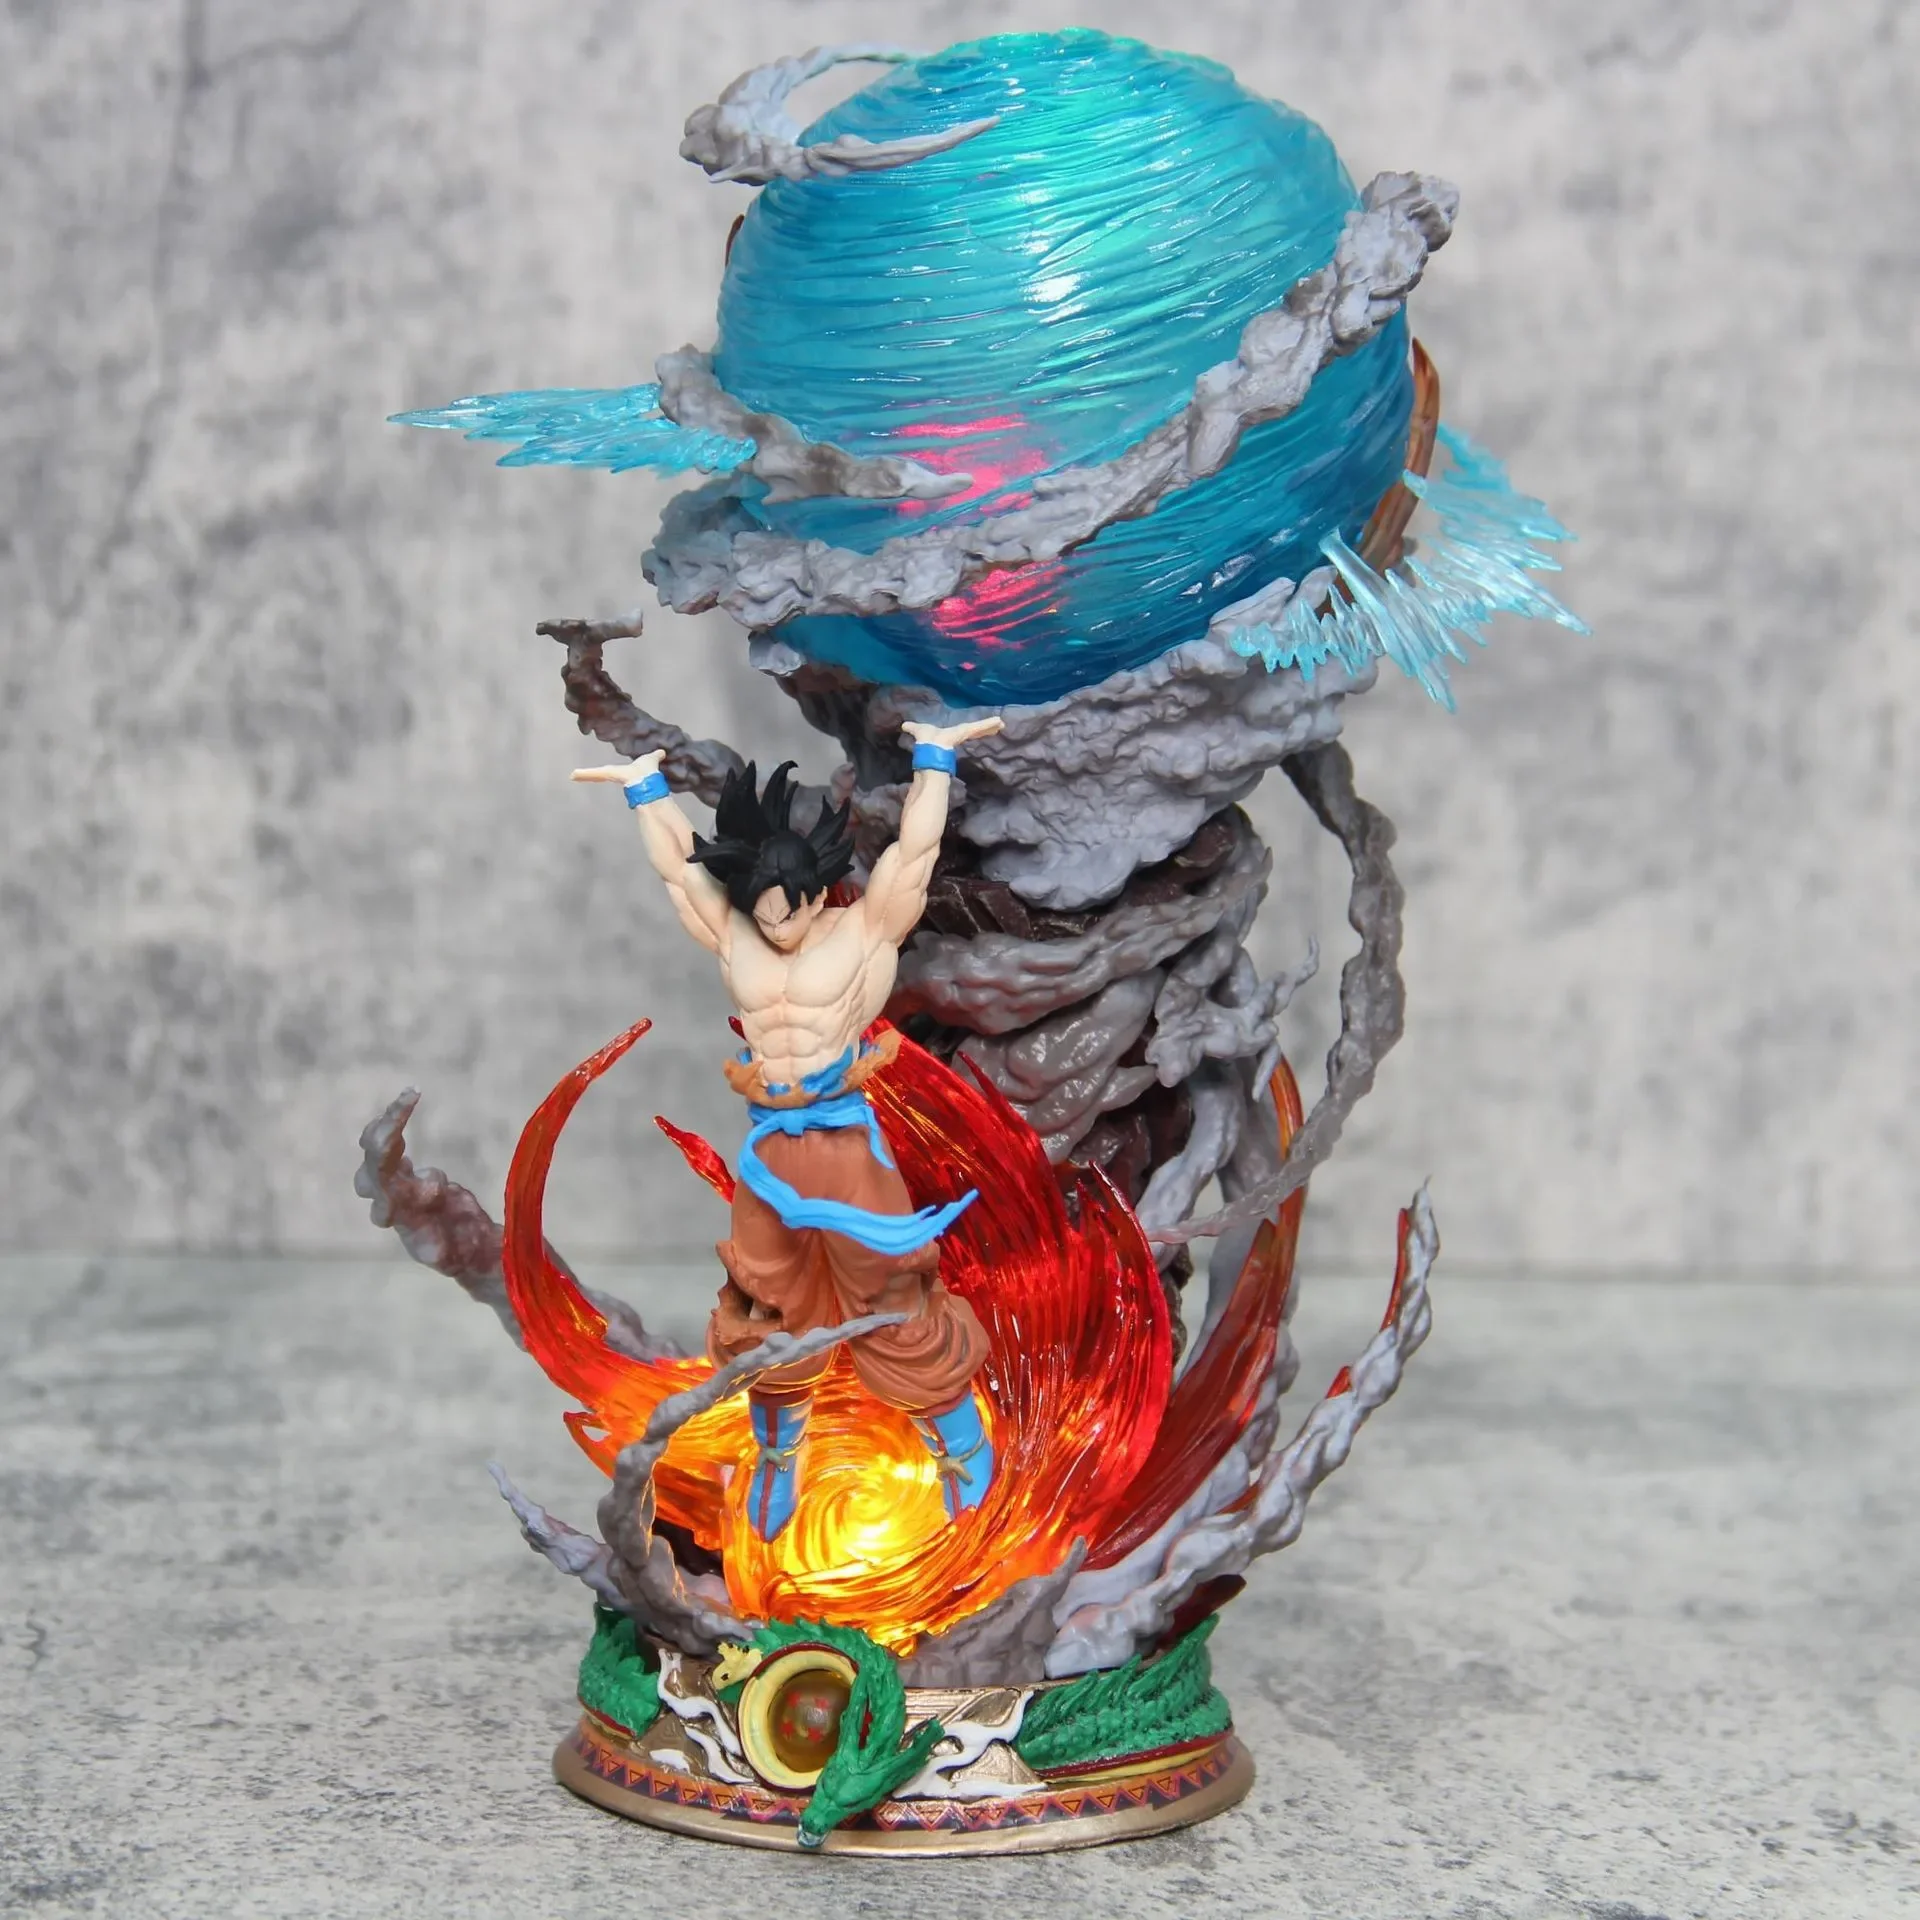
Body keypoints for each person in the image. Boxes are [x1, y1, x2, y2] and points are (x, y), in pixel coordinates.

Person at [574, 718, 1003, 1540]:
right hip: (771, 1150)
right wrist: (644, 789)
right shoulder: (739, 938)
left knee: (894, 1289)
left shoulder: (860, 933)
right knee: (760, 1301)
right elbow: (680, 874)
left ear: (813, 892)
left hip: (844, 1146)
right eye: (763, 914)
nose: (775, 927)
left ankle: (957, 1445)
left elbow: (914, 858)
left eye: (787, 911)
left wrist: (936, 759)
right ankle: (778, 1453)